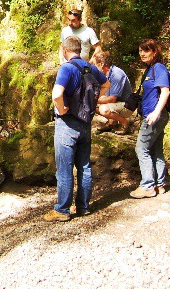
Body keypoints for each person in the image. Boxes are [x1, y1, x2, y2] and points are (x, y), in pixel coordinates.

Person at [44, 36, 110, 222]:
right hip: (85, 124)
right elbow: (106, 85)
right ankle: (83, 207)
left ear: (65, 50)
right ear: (79, 49)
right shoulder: (89, 67)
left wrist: (62, 108)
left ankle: (62, 210)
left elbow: (57, 94)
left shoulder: (66, 68)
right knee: (84, 166)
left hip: (67, 124)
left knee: (64, 169)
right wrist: (91, 102)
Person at [130, 39, 170, 199]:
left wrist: (155, 112)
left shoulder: (159, 68)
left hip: (154, 116)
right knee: (155, 149)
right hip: (153, 115)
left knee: (141, 148)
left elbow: (165, 91)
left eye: (146, 51)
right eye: (140, 51)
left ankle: (147, 186)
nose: (142, 54)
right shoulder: (150, 70)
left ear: (154, 52)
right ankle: (159, 184)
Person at [90, 50, 133, 129]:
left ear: (102, 64)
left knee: (103, 109)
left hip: (126, 105)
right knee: (90, 104)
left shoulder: (116, 74)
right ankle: (112, 122)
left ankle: (125, 123)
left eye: (94, 64)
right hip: (116, 102)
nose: (93, 67)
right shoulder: (105, 74)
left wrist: (94, 100)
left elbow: (112, 99)